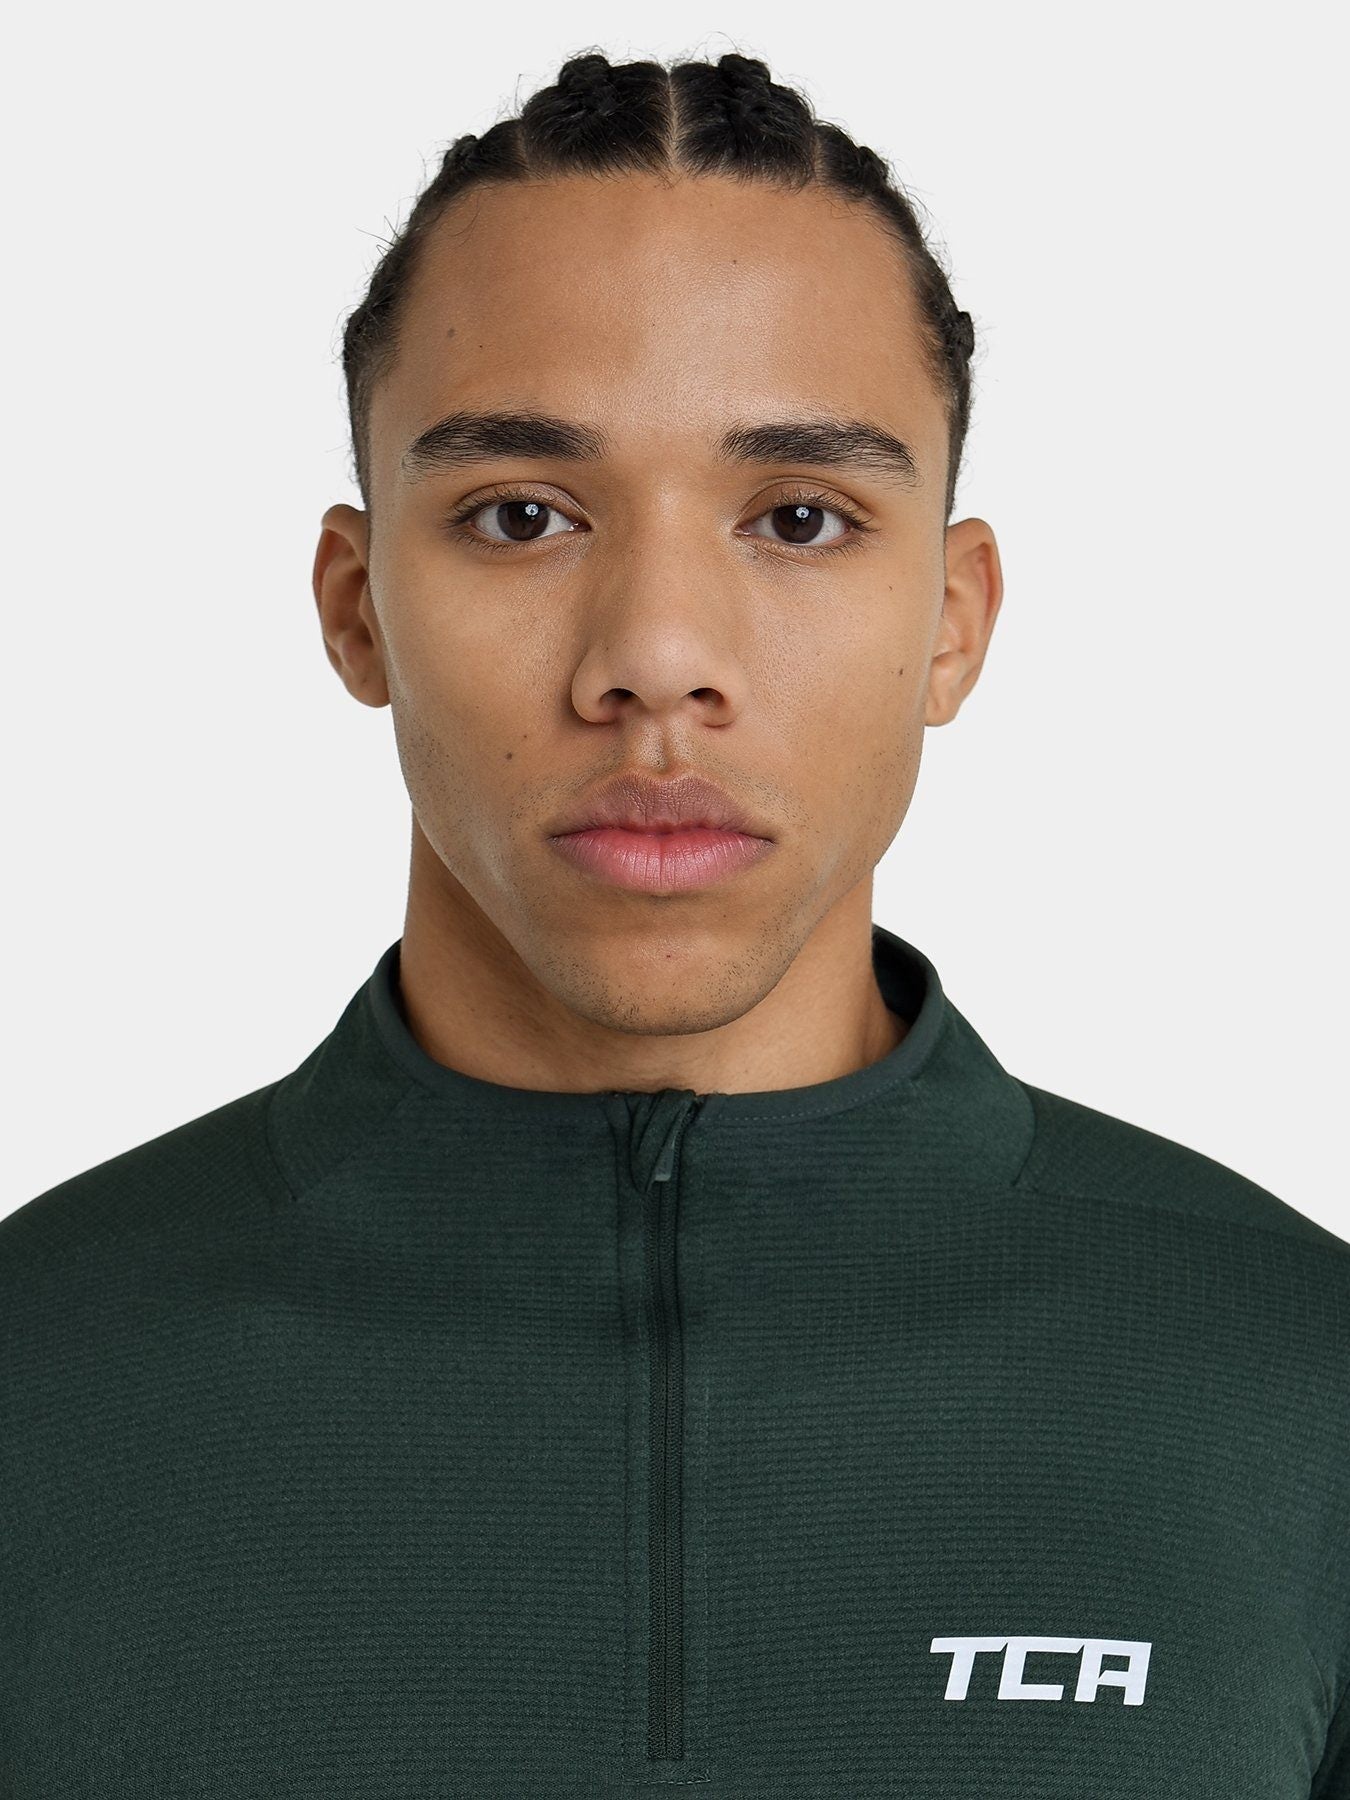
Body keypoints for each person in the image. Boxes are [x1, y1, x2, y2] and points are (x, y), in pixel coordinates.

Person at [2, 47, 1346, 1800]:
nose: (653, 655)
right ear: (356, 608)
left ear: (950, 622)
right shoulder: (36, 1376)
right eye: (521, 516)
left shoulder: (1297, 1385)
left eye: (797, 518)